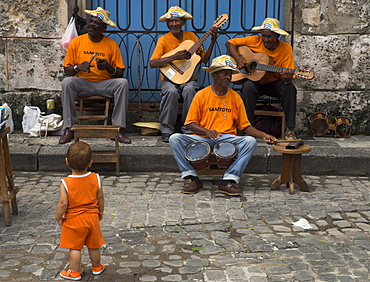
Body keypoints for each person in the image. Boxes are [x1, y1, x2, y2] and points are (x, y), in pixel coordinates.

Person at [169, 55, 277, 196]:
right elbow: (189, 123)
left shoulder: (235, 97)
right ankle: (193, 178)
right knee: (174, 139)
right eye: (224, 73)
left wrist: (264, 135)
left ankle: (228, 180)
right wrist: (206, 131)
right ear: (214, 75)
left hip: (227, 138)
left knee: (250, 142)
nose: (228, 77)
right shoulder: (201, 95)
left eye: (230, 74)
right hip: (203, 137)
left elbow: (245, 126)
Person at [59, 7, 131, 145]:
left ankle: (118, 129)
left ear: (103, 27)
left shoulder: (111, 44)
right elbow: (67, 71)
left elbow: (120, 73)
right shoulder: (77, 42)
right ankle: (68, 128)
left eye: (97, 23)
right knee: (67, 82)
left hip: (105, 84)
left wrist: (108, 67)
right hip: (83, 84)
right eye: (91, 21)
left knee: (123, 83)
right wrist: (78, 67)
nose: (92, 24)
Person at [150, 6, 218, 143]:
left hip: (188, 79)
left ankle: (189, 129)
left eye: (177, 21)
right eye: (171, 21)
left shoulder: (191, 37)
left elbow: (203, 59)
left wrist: (213, 41)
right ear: (167, 23)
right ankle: (167, 131)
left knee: (191, 89)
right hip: (168, 79)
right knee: (171, 92)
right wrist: (174, 56)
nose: (174, 24)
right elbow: (153, 63)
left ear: (183, 22)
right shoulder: (163, 40)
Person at [226, 18, 297, 140]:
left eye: (269, 36)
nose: (265, 40)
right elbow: (229, 43)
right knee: (247, 87)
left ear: (277, 35)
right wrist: (238, 59)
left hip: (274, 82)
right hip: (256, 82)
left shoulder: (286, 48)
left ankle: (290, 129)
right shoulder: (254, 41)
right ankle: (247, 128)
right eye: (263, 36)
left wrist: (286, 78)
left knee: (289, 88)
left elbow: (287, 73)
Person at [55, 141, 105, 280]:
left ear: (67, 161)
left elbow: (63, 203)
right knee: (94, 244)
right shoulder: (96, 178)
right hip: (92, 217)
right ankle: (97, 266)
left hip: (74, 219)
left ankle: (74, 271)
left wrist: (58, 216)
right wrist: (100, 211)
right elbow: (100, 197)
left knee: (75, 247)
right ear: (90, 162)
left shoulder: (66, 182)